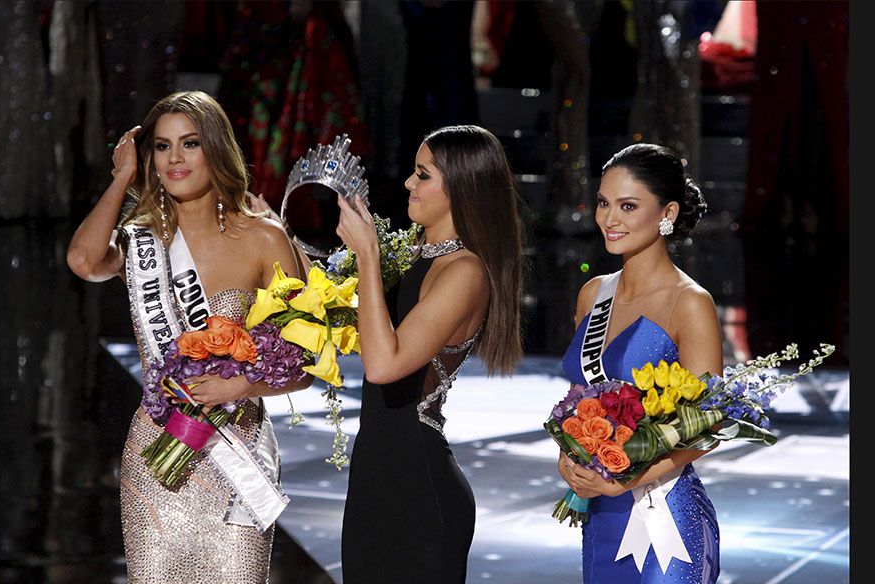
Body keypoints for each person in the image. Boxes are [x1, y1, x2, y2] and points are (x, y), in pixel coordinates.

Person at [66, 90, 313, 583]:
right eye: (161, 146)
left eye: (190, 143)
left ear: (215, 149)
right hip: (158, 459)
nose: (174, 158)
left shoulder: (265, 238)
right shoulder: (143, 239)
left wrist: (241, 386)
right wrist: (121, 180)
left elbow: (304, 361)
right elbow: (83, 261)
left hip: (235, 455)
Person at [335, 124, 525, 583]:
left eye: (422, 175)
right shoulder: (419, 256)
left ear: (460, 187)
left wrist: (366, 256)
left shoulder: (464, 272)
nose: (408, 184)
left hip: (417, 490)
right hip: (376, 479)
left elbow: (384, 366)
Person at [556, 143, 722, 582]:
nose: (610, 219)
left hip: (665, 516)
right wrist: (568, 451)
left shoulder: (690, 303)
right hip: (601, 512)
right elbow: (579, 398)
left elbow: (710, 426)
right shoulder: (593, 294)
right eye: (604, 203)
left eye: (628, 206)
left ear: (666, 212)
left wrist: (627, 479)